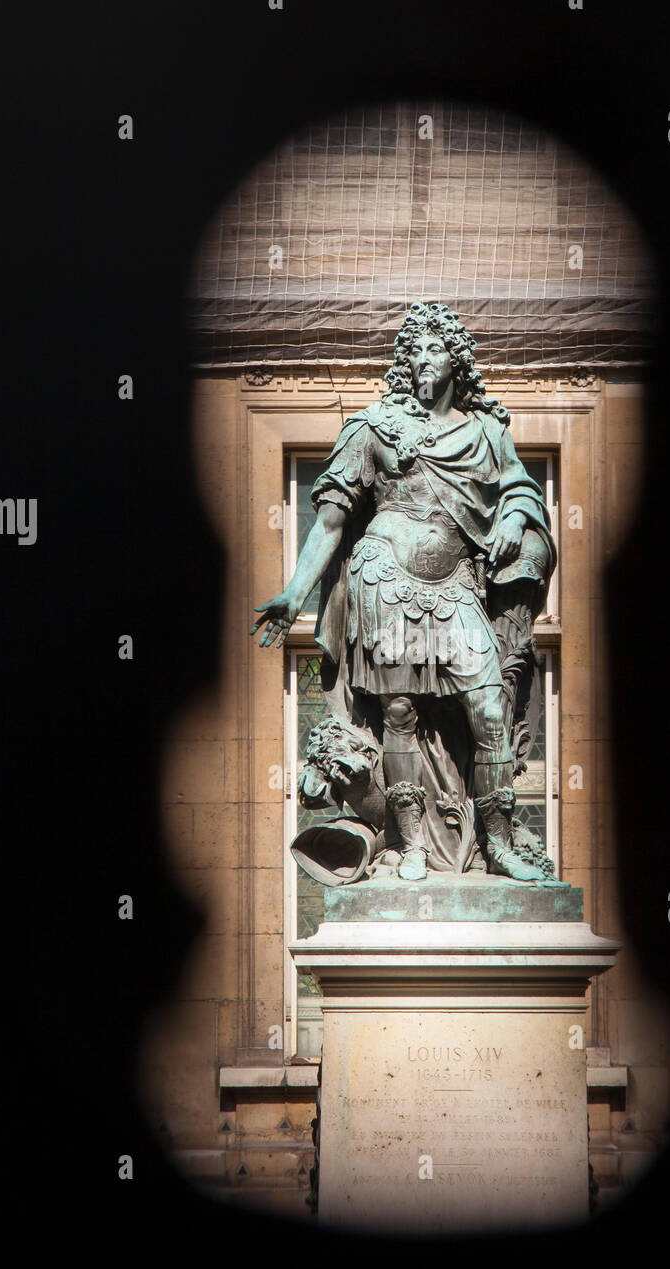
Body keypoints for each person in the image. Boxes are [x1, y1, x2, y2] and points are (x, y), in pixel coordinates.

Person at [251, 302, 555, 882]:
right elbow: (333, 521)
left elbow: (521, 490)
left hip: (457, 587)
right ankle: (410, 842)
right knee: (398, 713)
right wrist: (296, 591)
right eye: (411, 350)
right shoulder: (372, 427)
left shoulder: (486, 433)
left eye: (433, 348)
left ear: (456, 360)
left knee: (490, 709)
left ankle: (499, 845)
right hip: (384, 581)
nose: (421, 358)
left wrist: (515, 515)